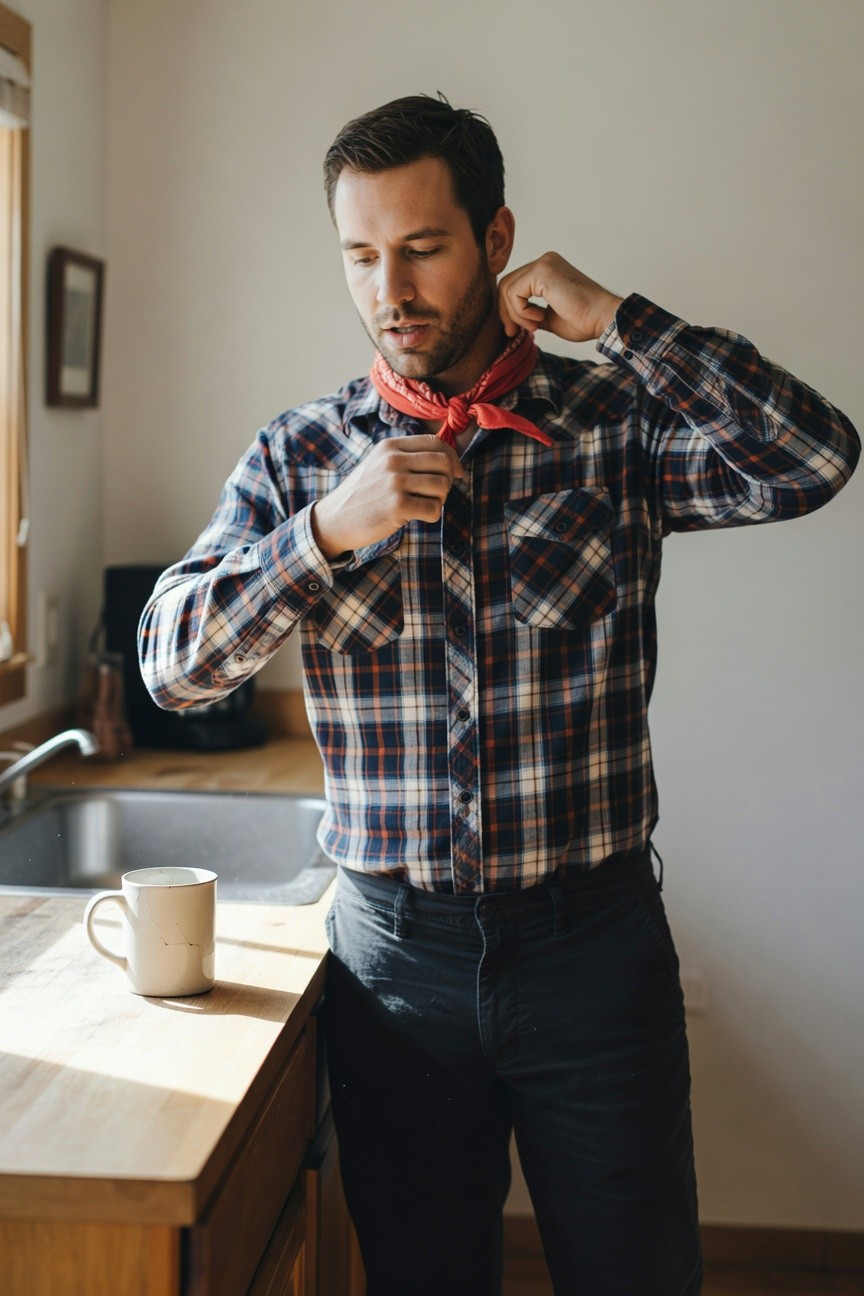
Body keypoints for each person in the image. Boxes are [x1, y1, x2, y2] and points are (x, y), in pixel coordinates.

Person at [139, 94, 859, 1296]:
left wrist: (623, 322)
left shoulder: (613, 427)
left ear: (495, 237)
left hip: (595, 954)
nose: (392, 288)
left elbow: (814, 457)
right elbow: (173, 662)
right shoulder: (300, 457)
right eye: (362, 257)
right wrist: (322, 535)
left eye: (421, 247)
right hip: (391, 971)